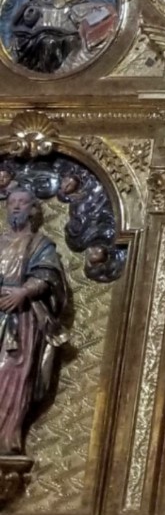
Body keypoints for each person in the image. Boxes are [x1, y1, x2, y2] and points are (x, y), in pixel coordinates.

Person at [0, 184, 68, 456]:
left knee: (11, 374)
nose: (16, 206)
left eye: (22, 202)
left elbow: (49, 274)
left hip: (22, 320)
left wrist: (24, 292)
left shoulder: (40, 243)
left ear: (33, 210)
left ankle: (6, 439)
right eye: (12, 202)